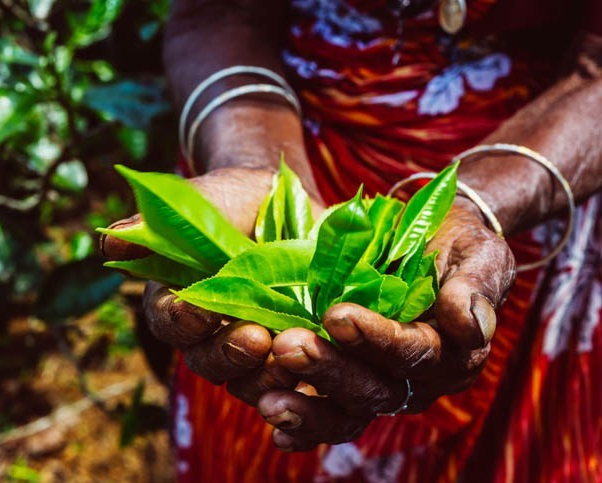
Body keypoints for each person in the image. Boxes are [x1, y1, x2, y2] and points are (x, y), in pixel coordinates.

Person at [102, 0, 602, 481]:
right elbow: (217, 12)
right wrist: (249, 158)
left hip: (537, 162)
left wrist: (475, 203)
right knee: (257, 382)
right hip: (279, 136)